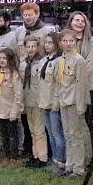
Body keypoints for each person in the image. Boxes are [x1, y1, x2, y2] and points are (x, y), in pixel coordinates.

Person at [67, 11, 93, 168]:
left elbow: (89, 64)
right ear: (71, 22)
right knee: (74, 125)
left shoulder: (92, 42)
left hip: (87, 87)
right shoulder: (65, 40)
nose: (79, 23)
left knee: (91, 123)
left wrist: (73, 73)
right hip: (69, 88)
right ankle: (77, 158)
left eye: (82, 21)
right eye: (76, 20)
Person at [57, 29, 91, 178]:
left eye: (71, 41)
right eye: (65, 41)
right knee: (67, 134)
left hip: (74, 102)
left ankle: (79, 167)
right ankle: (69, 164)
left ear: (75, 42)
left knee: (76, 135)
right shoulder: (61, 59)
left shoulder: (79, 60)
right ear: (61, 43)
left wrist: (81, 106)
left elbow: (81, 85)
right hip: (63, 101)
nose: (68, 44)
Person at [0, 48, 23, 161]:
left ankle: (14, 156)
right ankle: (6, 155)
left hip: (10, 110)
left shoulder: (14, 75)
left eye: (4, 58)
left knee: (13, 135)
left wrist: (14, 112)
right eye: (0, 58)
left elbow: (18, 95)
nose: (2, 60)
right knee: (3, 134)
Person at [20, 36, 48, 168]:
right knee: (31, 129)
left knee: (39, 130)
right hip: (27, 99)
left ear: (38, 48)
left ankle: (42, 157)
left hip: (38, 100)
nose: (30, 49)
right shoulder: (23, 63)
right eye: (28, 46)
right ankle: (35, 154)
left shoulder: (42, 62)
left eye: (33, 46)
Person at [38, 32, 65, 169]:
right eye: (46, 43)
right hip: (44, 102)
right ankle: (54, 158)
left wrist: (56, 102)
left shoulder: (59, 61)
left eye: (50, 43)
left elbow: (58, 84)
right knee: (50, 133)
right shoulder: (44, 60)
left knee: (57, 134)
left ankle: (61, 160)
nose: (47, 45)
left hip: (54, 103)